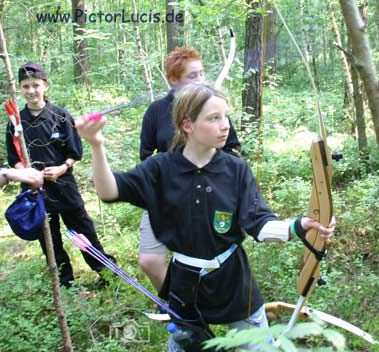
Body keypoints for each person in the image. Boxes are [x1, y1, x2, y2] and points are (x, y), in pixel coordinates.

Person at [76, 83, 335, 351]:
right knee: (185, 343)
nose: (225, 126)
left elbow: (259, 224)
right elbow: (108, 191)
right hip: (185, 286)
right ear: (187, 125)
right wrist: (97, 144)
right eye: (214, 118)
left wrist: (299, 226)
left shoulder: (235, 169)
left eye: (225, 116)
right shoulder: (160, 168)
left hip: (233, 281)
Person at [138, 47, 241, 290]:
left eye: (201, 74)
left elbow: (233, 149)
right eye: (191, 76)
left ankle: (199, 306)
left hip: (207, 195)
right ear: (174, 80)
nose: (200, 81)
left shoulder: (213, 107)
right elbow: (145, 154)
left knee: (202, 259)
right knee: (150, 260)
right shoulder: (156, 111)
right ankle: (176, 301)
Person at [5, 62, 115, 288]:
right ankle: (65, 284)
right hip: (34, 192)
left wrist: (61, 168)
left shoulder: (61, 116)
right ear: (20, 89)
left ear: (45, 86)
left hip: (64, 187)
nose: (32, 91)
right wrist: (24, 173)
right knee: (49, 240)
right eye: (26, 86)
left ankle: (107, 275)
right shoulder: (16, 121)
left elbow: (75, 153)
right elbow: (13, 157)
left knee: (84, 231)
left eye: (36, 85)